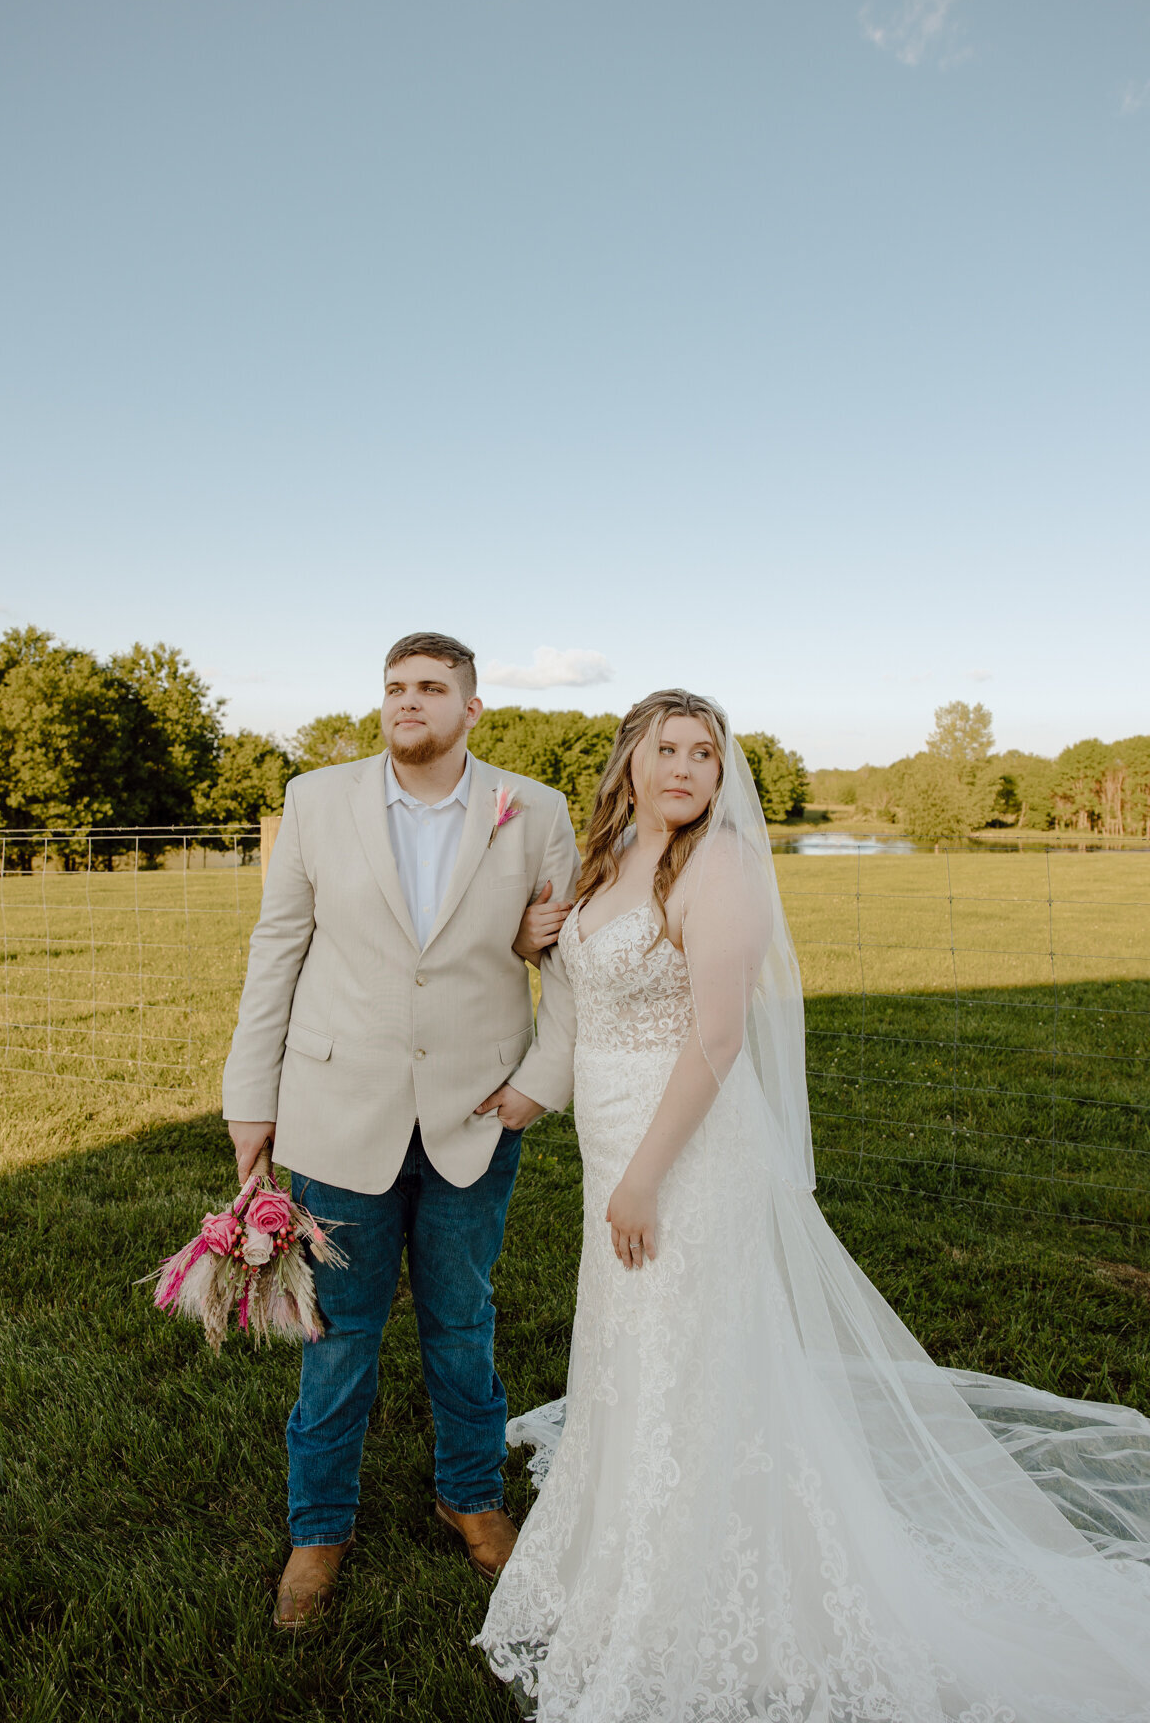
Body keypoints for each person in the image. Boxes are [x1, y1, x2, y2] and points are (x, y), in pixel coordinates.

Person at [476, 690, 1150, 1722]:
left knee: (696, 1349)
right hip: (612, 1129)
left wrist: (647, 1174)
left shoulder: (724, 867)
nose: (688, 770)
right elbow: (586, 985)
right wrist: (533, 945)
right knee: (638, 1345)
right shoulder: (607, 862)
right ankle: (636, 1546)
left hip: (685, 1150)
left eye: (706, 754)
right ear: (630, 762)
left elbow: (715, 1040)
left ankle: (713, 1573)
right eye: (668, 750)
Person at [223, 631, 579, 1628]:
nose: (407, 701)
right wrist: (251, 1101)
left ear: (473, 710)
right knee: (336, 1338)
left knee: (463, 1324)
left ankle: (471, 1499)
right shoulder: (316, 800)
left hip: (479, 1112)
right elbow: (277, 951)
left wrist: (541, 1083)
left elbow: (574, 969)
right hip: (339, 1114)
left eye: (431, 688)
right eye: (394, 687)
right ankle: (318, 1530)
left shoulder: (535, 810)